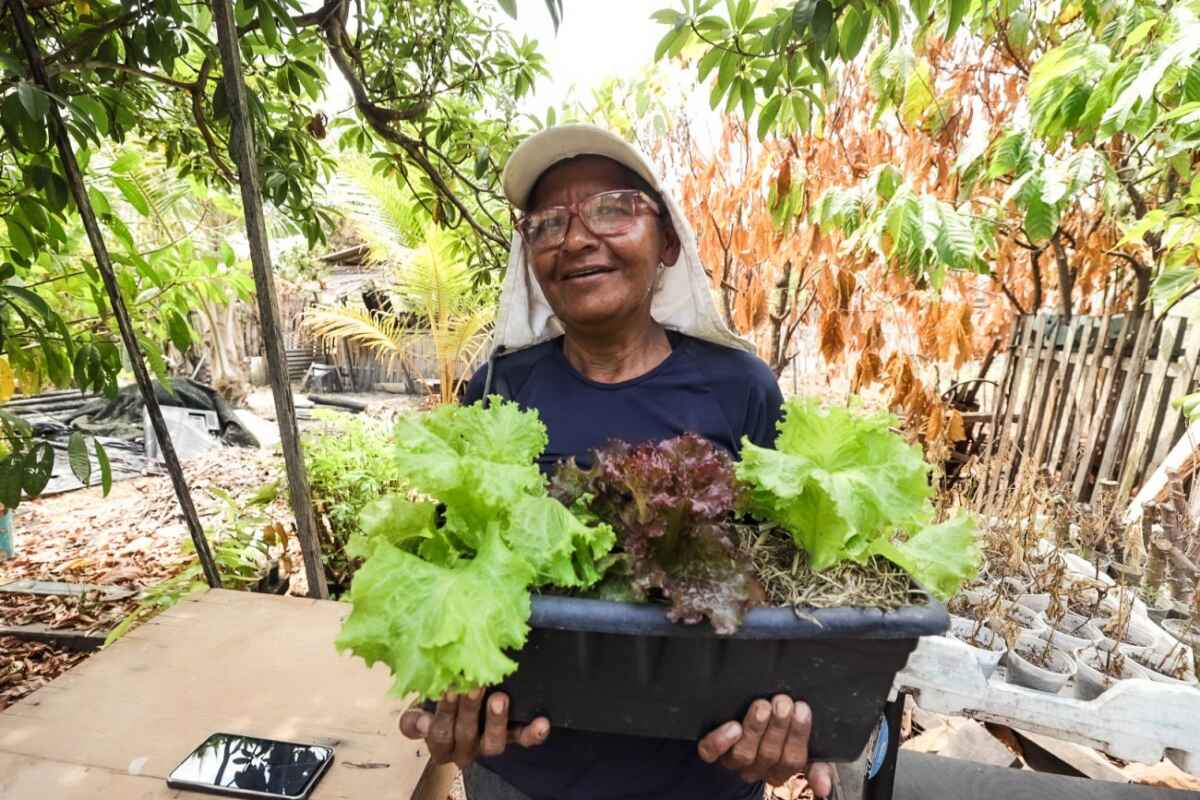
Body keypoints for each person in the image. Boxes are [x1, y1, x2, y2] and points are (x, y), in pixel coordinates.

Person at [399, 124, 833, 800]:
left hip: (699, 781)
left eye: (612, 209)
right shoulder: (499, 390)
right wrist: (447, 690)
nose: (575, 239)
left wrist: (802, 718)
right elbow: (460, 568)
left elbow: (789, 581)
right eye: (547, 224)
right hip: (525, 774)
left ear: (667, 243)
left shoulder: (740, 388)